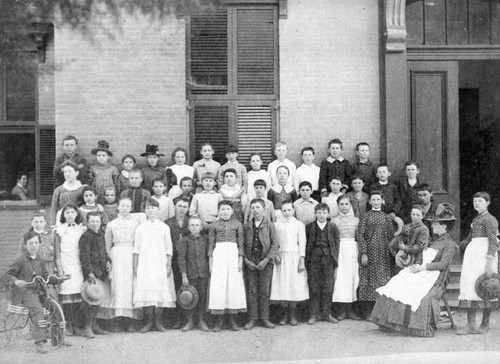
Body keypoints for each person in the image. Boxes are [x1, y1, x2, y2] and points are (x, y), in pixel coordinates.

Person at [370, 203, 457, 337]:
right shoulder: (434, 241)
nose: (432, 226)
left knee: (414, 291)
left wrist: (422, 268)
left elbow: (442, 265)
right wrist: (416, 264)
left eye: (435, 224)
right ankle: (391, 322)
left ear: (444, 226)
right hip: (424, 272)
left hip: (436, 278)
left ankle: (411, 327)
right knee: (396, 282)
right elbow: (422, 256)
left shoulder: (449, 244)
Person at [6, 231, 68, 353]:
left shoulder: (40, 259)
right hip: (25, 292)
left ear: (39, 244)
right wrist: (16, 281)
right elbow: (9, 274)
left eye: (36, 243)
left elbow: (45, 276)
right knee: (37, 310)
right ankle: (40, 343)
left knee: (54, 307)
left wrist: (59, 279)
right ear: (25, 245)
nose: (34, 246)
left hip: (39, 291)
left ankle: (58, 338)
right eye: (30, 243)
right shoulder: (20, 259)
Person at [98, 197, 146, 331]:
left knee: (130, 284)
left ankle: (131, 320)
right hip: (117, 255)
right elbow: (108, 244)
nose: (125, 209)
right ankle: (117, 319)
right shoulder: (112, 224)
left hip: (131, 253)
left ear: (131, 208)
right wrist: (109, 259)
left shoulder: (137, 223)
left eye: (127, 206)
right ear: (118, 207)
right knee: (117, 284)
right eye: (122, 206)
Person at [457, 192, 499, 335]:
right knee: (470, 286)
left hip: (484, 256)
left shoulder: (490, 219)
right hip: (473, 256)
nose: (476, 204)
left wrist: (489, 263)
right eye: (475, 201)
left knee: (485, 286)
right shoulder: (475, 219)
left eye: (480, 201)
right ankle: (471, 325)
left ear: (487, 203)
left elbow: (493, 241)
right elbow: (470, 238)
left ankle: (485, 323)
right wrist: (458, 245)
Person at [133, 198, 176, 333]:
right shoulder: (140, 227)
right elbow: (136, 248)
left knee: (159, 291)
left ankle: (158, 321)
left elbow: (169, 248)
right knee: (147, 291)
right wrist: (135, 265)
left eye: (153, 207)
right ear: (144, 210)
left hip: (159, 263)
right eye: (148, 207)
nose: (150, 210)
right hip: (145, 264)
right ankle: (149, 321)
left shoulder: (164, 227)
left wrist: (168, 265)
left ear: (158, 210)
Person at [208, 200, 247, 332]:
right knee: (219, 285)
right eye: (222, 209)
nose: (225, 212)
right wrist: (211, 262)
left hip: (233, 255)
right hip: (219, 255)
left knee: (233, 285)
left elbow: (241, 243)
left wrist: (240, 260)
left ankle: (232, 320)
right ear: (219, 211)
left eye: (227, 209)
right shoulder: (213, 225)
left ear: (232, 211)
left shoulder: (237, 224)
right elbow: (211, 244)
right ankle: (219, 321)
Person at [270, 201, 309, 326]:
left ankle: (293, 315)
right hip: (281, 257)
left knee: (294, 285)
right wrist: (275, 253)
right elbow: (274, 242)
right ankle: (284, 316)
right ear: (281, 211)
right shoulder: (276, 225)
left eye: (289, 210)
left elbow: (302, 243)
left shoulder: (299, 224)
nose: (287, 213)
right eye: (284, 210)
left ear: (293, 210)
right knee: (283, 285)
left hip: (295, 257)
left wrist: (301, 260)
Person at [357, 191, 395, 318]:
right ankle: (367, 312)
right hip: (370, 253)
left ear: (382, 201)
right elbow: (360, 235)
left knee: (382, 280)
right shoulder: (365, 216)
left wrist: (393, 252)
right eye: (373, 200)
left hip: (384, 254)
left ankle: (380, 312)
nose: (375, 202)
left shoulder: (386, 217)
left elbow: (391, 237)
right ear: (369, 202)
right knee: (368, 281)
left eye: (378, 199)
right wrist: (364, 253)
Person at [243, 198, 279, 330]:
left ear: (264, 209)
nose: (255, 210)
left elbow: (275, 244)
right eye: (252, 208)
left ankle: (265, 318)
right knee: (252, 290)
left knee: (264, 290)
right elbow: (242, 244)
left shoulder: (270, 225)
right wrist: (246, 260)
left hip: (265, 262)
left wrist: (266, 260)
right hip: (251, 261)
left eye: (258, 207)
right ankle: (252, 318)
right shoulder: (246, 226)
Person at [54, 203, 86, 336]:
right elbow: (57, 251)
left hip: (78, 265)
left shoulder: (82, 229)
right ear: (63, 215)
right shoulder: (59, 230)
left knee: (78, 297)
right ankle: (68, 325)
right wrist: (59, 268)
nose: (70, 215)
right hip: (65, 265)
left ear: (77, 214)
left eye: (72, 212)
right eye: (67, 213)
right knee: (67, 297)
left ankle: (77, 325)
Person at [305, 203, 339, 324]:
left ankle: (327, 314)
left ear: (328, 214)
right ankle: (314, 314)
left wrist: (334, 259)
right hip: (313, 259)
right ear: (315, 214)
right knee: (314, 286)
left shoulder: (332, 227)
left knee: (328, 286)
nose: (321, 215)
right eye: (319, 212)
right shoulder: (309, 227)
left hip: (328, 259)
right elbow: (306, 244)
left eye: (324, 212)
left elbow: (336, 244)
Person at [79, 212, 111, 338]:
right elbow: (84, 256)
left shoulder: (101, 235)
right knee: (90, 301)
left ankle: (94, 325)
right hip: (92, 273)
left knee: (98, 300)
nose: (95, 223)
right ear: (87, 222)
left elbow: (103, 251)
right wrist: (89, 272)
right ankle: (87, 327)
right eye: (92, 221)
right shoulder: (86, 236)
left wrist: (108, 261)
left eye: (97, 221)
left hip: (101, 270)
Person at [331, 196, 362, 321]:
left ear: (350, 205)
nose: (344, 206)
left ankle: (350, 310)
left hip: (352, 250)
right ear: (338, 205)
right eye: (341, 204)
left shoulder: (356, 220)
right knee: (340, 279)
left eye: (346, 204)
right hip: (340, 250)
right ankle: (341, 311)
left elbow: (359, 238)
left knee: (352, 278)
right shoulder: (333, 221)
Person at [177, 216, 210, 332]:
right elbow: (181, 259)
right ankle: (189, 322)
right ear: (188, 227)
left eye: (197, 225)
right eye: (192, 225)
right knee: (189, 297)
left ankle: (201, 321)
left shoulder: (206, 240)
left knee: (202, 297)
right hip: (191, 274)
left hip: (203, 273)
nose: (195, 227)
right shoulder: (184, 241)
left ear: (201, 227)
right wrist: (184, 276)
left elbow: (208, 256)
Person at [165, 197, 190, 329]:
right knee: (174, 287)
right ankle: (176, 319)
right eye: (180, 206)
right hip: (173, 259)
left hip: (188, 259)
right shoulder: (167, 223)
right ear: (175, 207)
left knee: (186, 288)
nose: (182, 209)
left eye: (185, 207)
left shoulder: (191, 221)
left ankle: (188, 319)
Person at [389, 204, 429, 269]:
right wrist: (393, 246)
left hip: (416, 260)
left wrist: (405, 248)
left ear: (423, 216)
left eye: (418, 215)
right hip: (402, 258)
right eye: (413, 214)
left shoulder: (424, 229)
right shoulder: (407, 227)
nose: (415, 217)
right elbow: (398, 239)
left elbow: (419, 248)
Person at [50, 160, 87, 226]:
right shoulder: (59, 190)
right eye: (65, 172)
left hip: (78, 219)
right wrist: (53, 223)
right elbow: (54, 208)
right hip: (62, 219)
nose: (67, 174)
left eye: (70, 171)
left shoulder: (83, 188)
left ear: (76, 173)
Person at [88, 140, 119, 205]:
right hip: (97, 195)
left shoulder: (113, 169)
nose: (101, 158)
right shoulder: (93, 168)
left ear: (108, 157)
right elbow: (90, 182)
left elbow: (116, 183)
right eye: (99, 156)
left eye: (103, 155)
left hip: (109, 196)